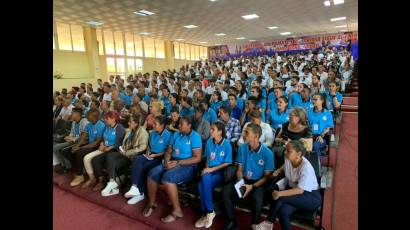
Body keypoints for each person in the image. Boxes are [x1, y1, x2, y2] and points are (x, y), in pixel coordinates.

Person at [142, 117, 202, 223]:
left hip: (188, 165)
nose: (178, 126)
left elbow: (197, 158)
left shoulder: (195, 137)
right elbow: (169, 150)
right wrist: (166, 161)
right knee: (152, 173)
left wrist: (177, 163)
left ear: (189, 125)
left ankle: (177, 211)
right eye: (179, 124)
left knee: (167, 178)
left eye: (181, 124)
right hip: (173, 162)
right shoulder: (176, 134)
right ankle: (152, 203)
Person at [254, 140, 321, 230]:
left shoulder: (306, 168)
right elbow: (285, 165)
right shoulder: (288, 159)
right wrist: (278, 170)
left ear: (298, 154)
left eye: (289, 151)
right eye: (285, 149)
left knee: (281, 198)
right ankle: (269, 225)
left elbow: (300, 190)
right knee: (283, 211)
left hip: (310, 196)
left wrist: (279, 193)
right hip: (295, 195)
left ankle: (268, 223)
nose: (285, 152)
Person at [222, 123, 274, 230]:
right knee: (226, 190)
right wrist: (241, 182)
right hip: (244, 179)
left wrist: (252, 187)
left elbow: (266, 177)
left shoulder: (267, 153)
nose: (244, 134)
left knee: (257, 198)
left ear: (256, 136)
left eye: (247, 132)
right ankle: (232, 220)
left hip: (259, 183)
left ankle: (254, 225)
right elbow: (240, 169)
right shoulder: (242, 148)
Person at [124, 115, 172, 204]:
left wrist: (155, 155)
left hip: (159, 157)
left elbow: (167, 151)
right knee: (137, 159)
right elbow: (149, 146)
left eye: (155, 124)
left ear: (162, 125)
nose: (153, 125)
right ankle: (135, 188)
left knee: (144, 167)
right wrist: (148, 152)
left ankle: (140, 192)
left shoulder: (168, 135)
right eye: (153, 123)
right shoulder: (153, 133)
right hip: (150, 155)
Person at [98, 113, 149, 196]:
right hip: (124, 154)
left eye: (130, 122)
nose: (128, 123)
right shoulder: (129, 130)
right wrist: (122, 149)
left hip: (132, 157)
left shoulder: (143, 133)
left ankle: (115, 187)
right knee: (110, 156)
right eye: (128, 122)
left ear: (136, 123)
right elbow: (122, 141)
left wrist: (127, 152)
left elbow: (141, 148)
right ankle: (112, 182)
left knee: (113, 163)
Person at [195, 121, 232, 228]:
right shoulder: (209, 142)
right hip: (209, 170)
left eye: (213, 129)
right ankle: (207, 214)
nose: (210, 131)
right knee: (200, 185)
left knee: (204, 179)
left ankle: (208, 212)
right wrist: (207, 168)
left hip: (220, 172)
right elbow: (207, 158)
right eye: (211, 129)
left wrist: (211, 170)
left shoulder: (227, 144)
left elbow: (228, 162)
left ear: (220, 132)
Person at [81, 111, 126, 190]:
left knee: (96, 160)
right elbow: (103, 138)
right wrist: (102, 144)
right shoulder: (107, 126)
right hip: (104, 147)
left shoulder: (119, 128)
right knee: (90, 159)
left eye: (107, 118)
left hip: (113, 150)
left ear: (113, 119)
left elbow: (120, 143)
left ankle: (101, 181)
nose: (105, 120)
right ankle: (96, 179)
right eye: (105, 118)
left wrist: (109, 147)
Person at [69, 109, 106, 187]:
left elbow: (96, 142)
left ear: (94, 117)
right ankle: (79, 172)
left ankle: (80, 176)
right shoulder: (89, 124)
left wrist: (80, 148)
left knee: (79, 153)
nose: (86, 116)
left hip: (97, 147)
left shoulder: (101, 125)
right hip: (89, 144)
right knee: (71, 150)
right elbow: (83, 137)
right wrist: (77, 146)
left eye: (88, 115)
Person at [53, 108, 89, 174]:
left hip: (81, 142)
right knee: (55, 148)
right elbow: (72, 133)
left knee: (63, 150)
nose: (71, 114)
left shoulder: (84, 122)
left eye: (72, 113)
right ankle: (64, 165)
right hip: (72, 141)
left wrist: (73, 139)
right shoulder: (74, 122)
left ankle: (68, 167)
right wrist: (68, 137)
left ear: (77, 114)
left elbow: (84, 136)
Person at [307, 93, 334, 159]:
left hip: (322, 137)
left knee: (315, 146)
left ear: (322, 101)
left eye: (316, 99)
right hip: (310, 136)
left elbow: (329, 128)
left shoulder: (327, 113)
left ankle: (318, 167)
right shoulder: (308, 112)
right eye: (313, 99)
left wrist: (321, 135)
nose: (313, 101)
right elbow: (306, 125)